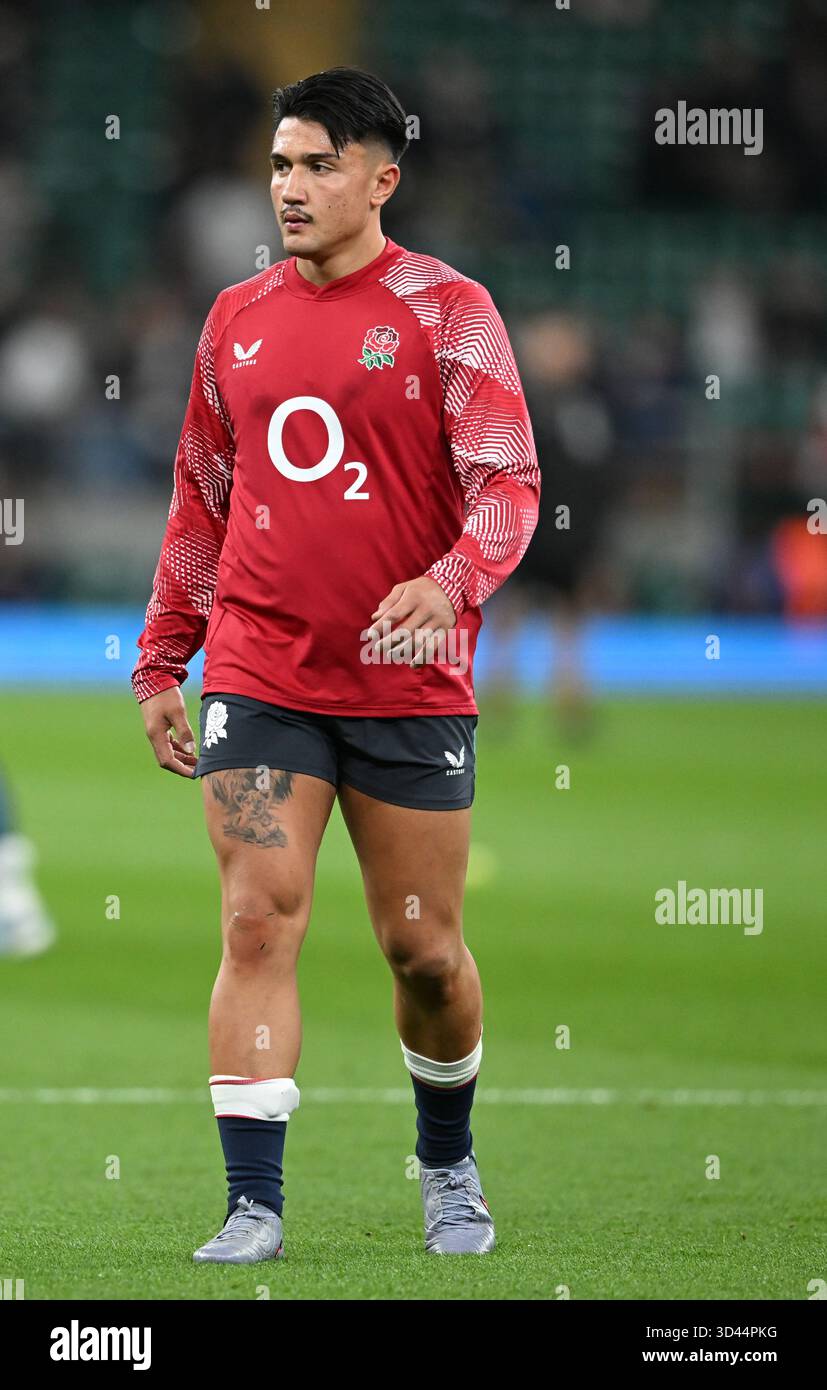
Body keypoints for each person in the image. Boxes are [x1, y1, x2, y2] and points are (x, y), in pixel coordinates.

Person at [133, 66, 540, 1263]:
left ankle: (448, 1158)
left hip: (407, 681)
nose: (290, 187)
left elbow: (509, 485)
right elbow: (202, 500)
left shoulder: (449, 309)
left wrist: (450, 582)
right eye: (277, 164)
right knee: (257, 919)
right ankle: (251, 1202)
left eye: (316, 165)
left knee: (422, 948)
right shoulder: (234, 318)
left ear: (380, 177)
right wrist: (163, 655)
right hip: (259, 675)